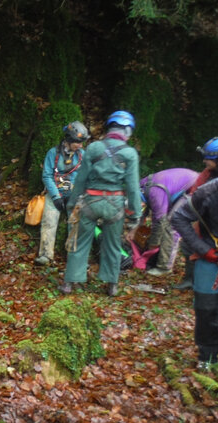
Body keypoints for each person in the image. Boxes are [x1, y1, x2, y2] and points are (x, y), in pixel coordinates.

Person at [60, 111, 141, 296]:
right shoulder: (130, 153)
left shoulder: (94, 148)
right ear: (127, 131)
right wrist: (135, 215)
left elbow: (81, 178)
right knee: (112, 245)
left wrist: (72, 203)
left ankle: (70, 283)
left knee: (80, 242)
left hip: (90, 201)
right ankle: (112, 284)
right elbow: (133, 187)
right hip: (115, 205)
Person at [170, 175, 218, 370]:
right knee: (205, 307)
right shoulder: (207, 192)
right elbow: (179, 218)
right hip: (213, 254)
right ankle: (207, 356)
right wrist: (203, 248)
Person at [173, 137, 218, 290]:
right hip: (208, 217)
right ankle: (191, 278)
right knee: (190, 244)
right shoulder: (208, 173)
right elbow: (196, 191)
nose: (205, 162)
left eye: (209, 159)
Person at [34, 121, 89, 265]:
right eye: (78, 142)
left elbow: (85, 176)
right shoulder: (53, 153)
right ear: (69, 139)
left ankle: (73, 255)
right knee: (49, 220)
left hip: (74, 195)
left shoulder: (82, 155)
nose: (80, 145)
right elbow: (47, 175)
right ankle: (46, 255)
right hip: (55, 193)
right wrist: (56, 197)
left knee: (75, 222)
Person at [127, 168, 198, 276]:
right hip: (180, 187)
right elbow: (143, 212)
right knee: (166, 222)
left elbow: (159, 222)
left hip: (194, 188)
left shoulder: (155, 194)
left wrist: (153, 244)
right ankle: (161, 257)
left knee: (172, 224)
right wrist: (134, 230)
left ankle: (164, 267)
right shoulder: (138, 189)